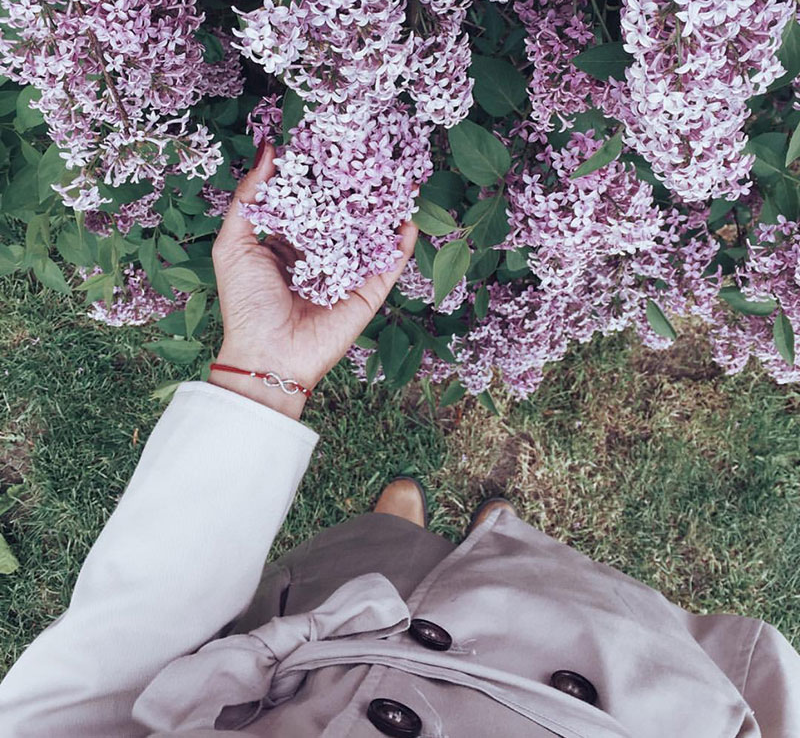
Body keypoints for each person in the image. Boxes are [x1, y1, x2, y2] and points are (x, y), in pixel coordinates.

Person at [0, 141, 798, 738]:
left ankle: (404, 543)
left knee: (364, 559)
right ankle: (488, 546)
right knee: (543, 584)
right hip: (615, 674)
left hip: (331, 639)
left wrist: (263, 372)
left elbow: (101, 667)